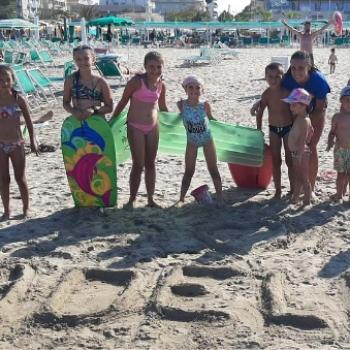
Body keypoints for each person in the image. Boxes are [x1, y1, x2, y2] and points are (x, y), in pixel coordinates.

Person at [252, 51, 331, 196]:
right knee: (296, 152)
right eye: (293, 68)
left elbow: (319, 110)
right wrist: (260, 102)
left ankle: (310, 188)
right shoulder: (287, 79)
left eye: (301, 68)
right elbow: (274, 92)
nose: (296, 71)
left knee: (310, 147)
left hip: (315, 112)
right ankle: (297, 186)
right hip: (295, 115)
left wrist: (307, 126)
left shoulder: (319, 81)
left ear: (309, 66)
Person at [111, 51, 168, 208]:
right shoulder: (136, 82)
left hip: (153, 126)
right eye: (151, 67)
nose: (155, 70)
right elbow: (123, 102)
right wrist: (112, 121)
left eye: (158, 67)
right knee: (138, 164)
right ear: (145, 66)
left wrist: (176, 121)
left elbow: (163, 108)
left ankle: (150, 199)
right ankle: (132, 199)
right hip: (135, 126)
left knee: (151, 163)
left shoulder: (161, 84)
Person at [0, 65, 39, 221]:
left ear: (13, 80)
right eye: (0, 80)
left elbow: (29, 122)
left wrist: (33, 140)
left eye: (7, 79)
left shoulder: (18, 99)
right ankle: (7, 210)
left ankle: (26, 208)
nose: (3, 82)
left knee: (20, 177)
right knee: (3, 179)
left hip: (17, 144)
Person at [177, 76, 223, 205]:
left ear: (201, 90)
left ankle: (220, 197)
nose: (194, 90)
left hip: (207, 140)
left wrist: (228, 129)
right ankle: (181, 197)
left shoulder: (205, 105)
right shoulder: (181, 104)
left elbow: (212, 119)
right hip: (191, 142)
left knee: (213, 169)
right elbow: (170, 117)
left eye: (197, 87)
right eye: (190, 87)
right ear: (185, 89)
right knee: (189, 171)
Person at [255, 63, 294, 199]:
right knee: (276, 161)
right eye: (270, 77)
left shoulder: (287, 92)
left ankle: (293, 189)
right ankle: (278, 190)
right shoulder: (266, 94)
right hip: (273, 130)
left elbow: (295, 111)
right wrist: (258, 131)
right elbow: (260, 113)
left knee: (290, 161)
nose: (273, 79)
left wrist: (298, 128)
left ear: (282, 77)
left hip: (288, 128)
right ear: (265, 78)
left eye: (277, 76)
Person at [63, 45, 113, 121]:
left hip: (97, 122)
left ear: (93, 59)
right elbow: (66, 103)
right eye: (78, 59)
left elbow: (110, 107)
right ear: (74, 60)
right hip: (78, 122)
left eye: (86, 58)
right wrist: (74, 111)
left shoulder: (101, 82)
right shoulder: (70, 80)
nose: (82, 62)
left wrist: (94, 111)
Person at [282, 88, 314, 206]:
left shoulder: (304, 120)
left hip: (301, 153)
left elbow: (302, 139)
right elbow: (311, 131)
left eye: (293, 105)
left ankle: (307, 200)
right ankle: (295, 197)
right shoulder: (301, 118)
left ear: (303, 105)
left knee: (303, 177)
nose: (291, 107)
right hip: (297, 152)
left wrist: (300, 153)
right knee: (297, 176)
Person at [326, 86, 350, 202]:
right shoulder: (337, 117)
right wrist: (330, 141)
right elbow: (332, 132)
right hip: (340, 150)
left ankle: (346, 192)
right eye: (347, 100)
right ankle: (339, 193)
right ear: (341, 100)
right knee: (341, 173)